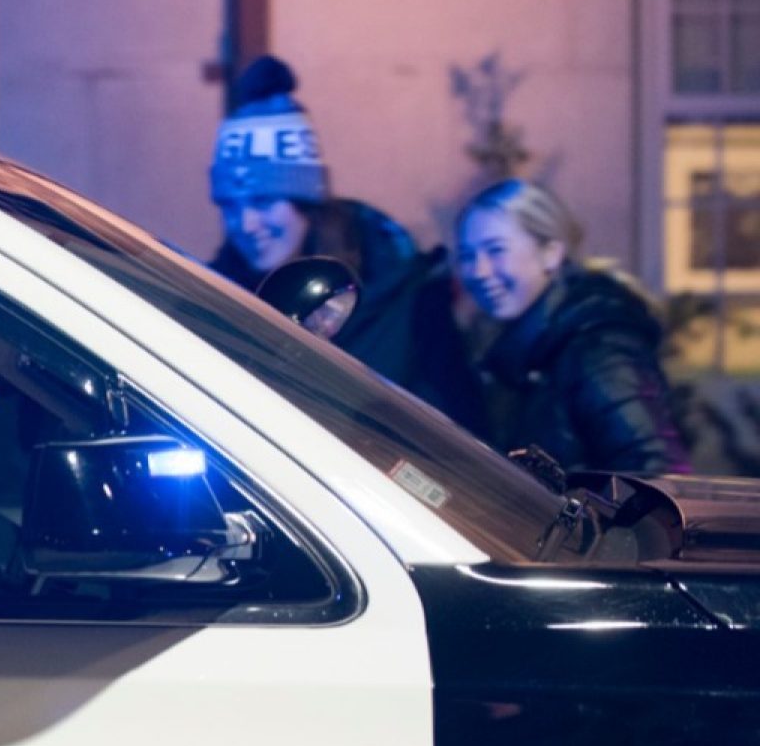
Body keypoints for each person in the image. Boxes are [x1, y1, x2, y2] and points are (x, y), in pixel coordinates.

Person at [207, 56, 486, 430]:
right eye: (229, 206)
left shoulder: (404, 289)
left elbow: (462, 429)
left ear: (307, 202)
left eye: (263, 201)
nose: (246, 223)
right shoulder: (217, 297)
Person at [454, 179, 690, 475]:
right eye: (466, 256)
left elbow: (657, 471)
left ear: (550, 253)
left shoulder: (596, 346)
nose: (478, 271)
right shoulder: (515, 352)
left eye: (496, 250)